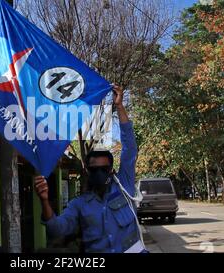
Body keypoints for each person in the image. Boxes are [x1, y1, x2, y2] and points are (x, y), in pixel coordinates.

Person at [34, 85, 146, 253]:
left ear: (112, 170)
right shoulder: (79, 205)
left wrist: (119, 106)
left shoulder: (125, 186)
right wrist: (44, 200)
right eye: (94, 170)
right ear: (87, 171)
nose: (99, 173)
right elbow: (56, 229)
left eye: (104, 169)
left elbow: (130, 148)